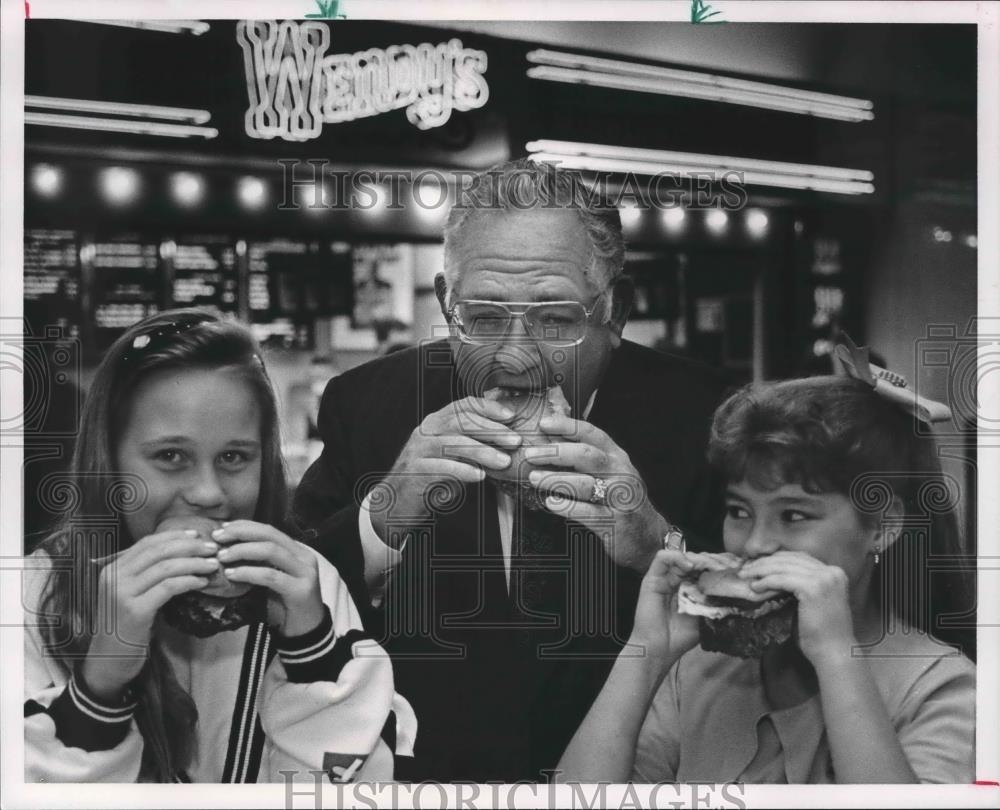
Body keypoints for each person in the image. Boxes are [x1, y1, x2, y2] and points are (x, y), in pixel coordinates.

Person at [293, 159, 729, 781]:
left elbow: (771, 617)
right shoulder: (367, 404)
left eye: (555, 320)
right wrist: (382, 518)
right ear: (447, 302)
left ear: (616, 310)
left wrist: (658, 547)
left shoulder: (707, 417)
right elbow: (287, 596)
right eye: (486, 318)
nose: (516, 356)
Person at [23, 309, 415, 783]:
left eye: (234, 457)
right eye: (170, 456)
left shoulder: (303, 580)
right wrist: (101, 683)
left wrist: (313, 652)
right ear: (109, 460)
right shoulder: (29, 596)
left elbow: (357, 787)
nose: (209, 493)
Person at [558, 365, 976, 783]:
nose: (755, 544)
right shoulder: (700, 669)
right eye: (739, 511)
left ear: (882, 527)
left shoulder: (942, 687)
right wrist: (647, 651)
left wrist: (835, 655)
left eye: (793, 515)